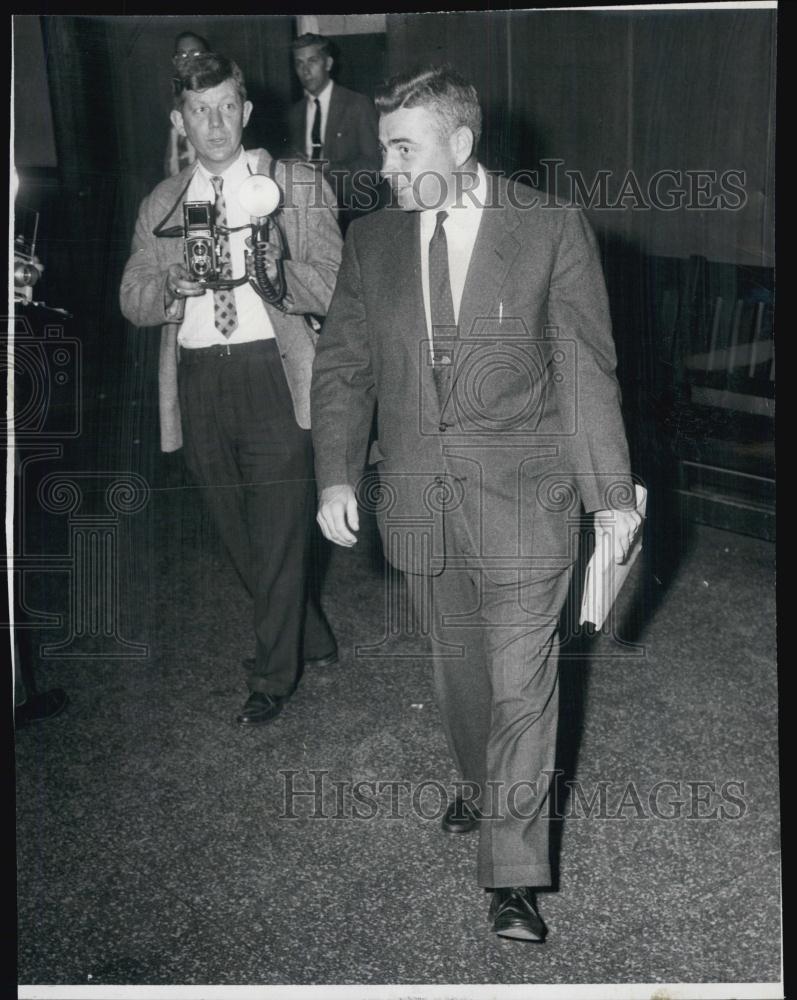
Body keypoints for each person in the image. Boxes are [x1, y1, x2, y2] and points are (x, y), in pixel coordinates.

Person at [311, 65, 641, 940]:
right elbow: (343, 364)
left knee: (522, 683)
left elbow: (582, 368)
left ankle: (514, 875)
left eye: (400, 147)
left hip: (528, 498)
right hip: (420, 496)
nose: (382, 165)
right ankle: (477, 782)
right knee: (462, 679)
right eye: (384, 146)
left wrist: (610, 496)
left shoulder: (546, 227)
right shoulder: (372, 239)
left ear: (459, 146)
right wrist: (337, 473)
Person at [121, 52, 342, 726]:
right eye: (198, 109)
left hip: (272, 374)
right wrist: (169, 287)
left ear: (245, 113)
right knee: (237, 534)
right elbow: (132, 298)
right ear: (179, 120)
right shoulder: (161, 203)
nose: (214, 122)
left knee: (276, 531)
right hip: (198, 380)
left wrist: (278, 272)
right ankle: (308, 634)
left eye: (225, 107)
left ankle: (271, 676)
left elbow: (336, 284)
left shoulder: (295, 184)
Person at [288, 33, 381, 228]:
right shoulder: (294, 113)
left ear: (328, 63)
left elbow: (375, 165)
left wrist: (331, 169)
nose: (305, 70)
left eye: (312, 61)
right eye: (299, 63)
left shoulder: (357, 104)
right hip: (308, 217)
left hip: (351, 215)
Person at [164, 31, 211, 177]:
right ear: (175, 61)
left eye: (196, 54)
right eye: (182, 55)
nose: (188, 61)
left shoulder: (219, 95)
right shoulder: (173, 96)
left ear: (209, 58)